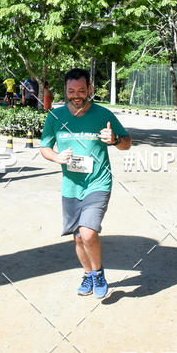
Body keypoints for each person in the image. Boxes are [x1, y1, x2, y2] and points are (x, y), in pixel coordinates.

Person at [39, 68, 131, 300]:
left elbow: (127, 143)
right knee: (78, 236)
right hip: (71, 186)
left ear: (89, 89)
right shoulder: (55, 117)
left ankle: (98, 274)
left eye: (81, 90)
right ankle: (87, 274)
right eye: (72, 91)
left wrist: (115, 140)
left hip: (98, 183)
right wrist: (56, 157)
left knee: (88, 233)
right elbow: (44, 147)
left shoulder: (103, 115)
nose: (77, 95)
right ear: (66, 91)